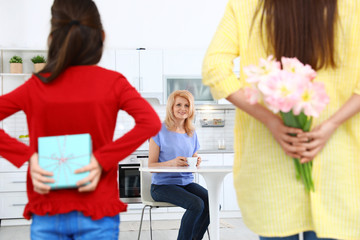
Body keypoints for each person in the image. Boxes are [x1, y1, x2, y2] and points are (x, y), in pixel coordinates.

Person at [0, 0, 161, 239]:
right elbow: (151, 122)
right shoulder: (113, 83)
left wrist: (28, 157)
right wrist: (101, 160)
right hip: (97, 211)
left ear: (52, 38)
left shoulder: (36, 86)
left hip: (48, 210)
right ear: (102, 36)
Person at [202, 0, 360, 240]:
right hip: (338, 168)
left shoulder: (246, 6)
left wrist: (271, 120)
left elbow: (214, 68)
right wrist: (331, 124)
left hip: (270, 170)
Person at [149, 90, 210, 240]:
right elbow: (151, 165)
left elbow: (192, 155)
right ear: (171, 107)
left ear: (191, 109)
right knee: (196, 204)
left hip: (186, 182)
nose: (183, 108)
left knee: (212, 203)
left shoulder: (191, 132)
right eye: (179, 105)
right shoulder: (158, 130)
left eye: (187, 105)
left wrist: (196, 159)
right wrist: (172, 163)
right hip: (162, 186)